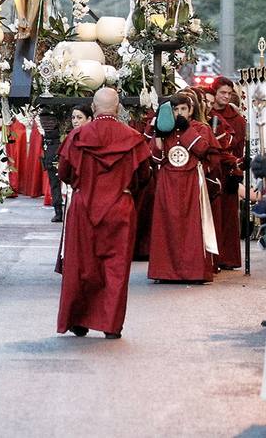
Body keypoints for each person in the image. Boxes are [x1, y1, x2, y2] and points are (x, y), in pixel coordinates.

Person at [56, 87, 153, 340]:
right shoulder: (133, 138)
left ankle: (78, 319)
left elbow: (64, 173)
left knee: (81, 264)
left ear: (94, 107)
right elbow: (144, 176)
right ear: (118, 107)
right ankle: (111, 325)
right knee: (116, 268)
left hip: (84, 205)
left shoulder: (77, 137)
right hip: (120, 206)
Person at [146, 93, 218, 284]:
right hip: (168, 181)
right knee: (167, 225)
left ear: (191, 110)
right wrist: (159, 137)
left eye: (183, 109)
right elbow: (156, 159)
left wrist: (186, 131)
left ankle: (194, 272)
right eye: (175, 110)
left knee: (191, 226)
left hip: (192, 180)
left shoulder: (200, 128)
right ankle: (165, 271)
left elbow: (202, 149)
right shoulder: (164, 129)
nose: (179, 113)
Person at [210, 78, 246, 270]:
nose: (225, 96)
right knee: (214, 214)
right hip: (213, 170)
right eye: (222, 92)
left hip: (229, 170)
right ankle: (214, 258)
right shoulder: (207, 113)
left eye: (229, 93)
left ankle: (228, 258)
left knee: (229, 216)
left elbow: (239, 147)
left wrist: (237, 168)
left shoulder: (237, 119)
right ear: (215, 92)